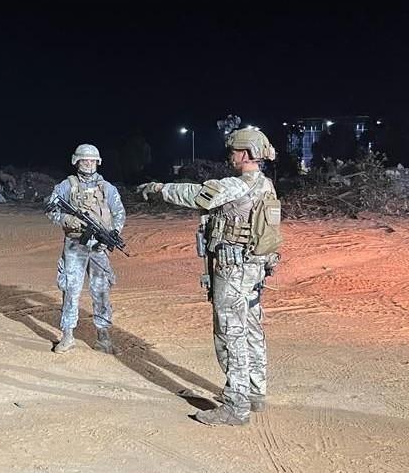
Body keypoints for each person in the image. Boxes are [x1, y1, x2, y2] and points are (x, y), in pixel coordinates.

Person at [139, 126, 282, 426]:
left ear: (246, 154)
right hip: (254, 268)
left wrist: (158, 189)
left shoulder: (238, 185)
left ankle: (236, 405)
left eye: (233, 150)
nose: (230, 155)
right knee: (252, 329)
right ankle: (255, 393)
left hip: (233, 269)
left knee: (230, 333)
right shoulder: (266, 185)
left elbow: (197, 196)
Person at [46, 144, 126, 354]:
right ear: (76, 162)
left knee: (101, 291)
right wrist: (67, 219)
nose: (89, 165)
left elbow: (119, 213)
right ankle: (68, 335)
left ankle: (103, 337)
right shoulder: (66, 186)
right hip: (75, 246)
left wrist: (115, 231)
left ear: (97, 163)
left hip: (99, 247)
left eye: (92, 161)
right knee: (71, 290)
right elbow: (50, 209)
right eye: (85, 161)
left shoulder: (108, 188)